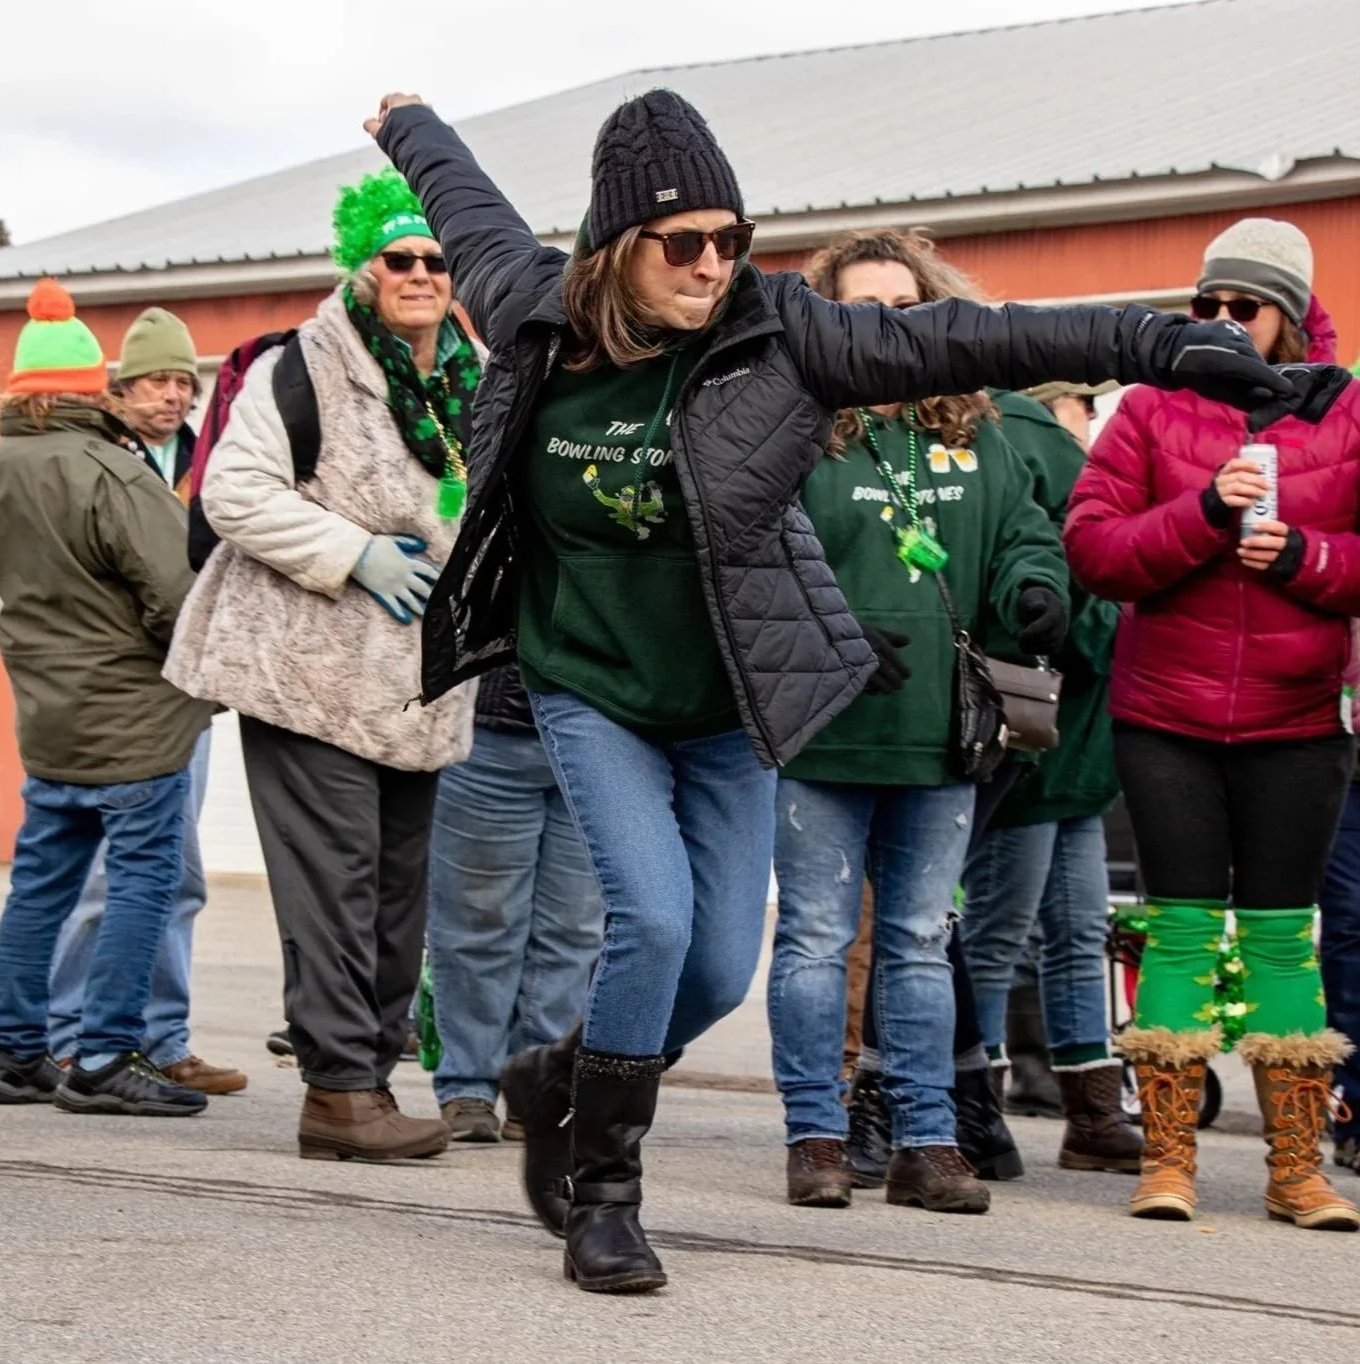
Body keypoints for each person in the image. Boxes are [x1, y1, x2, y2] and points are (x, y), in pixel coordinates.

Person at [368, 87, 1330, 1293]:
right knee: (655, 922)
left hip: (726, 694)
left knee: (716, 968)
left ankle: (565, 1074)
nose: (714, 264)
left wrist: (1158, 344)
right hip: (586, 683)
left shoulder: (787, 334)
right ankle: (603, 1193)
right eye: (685, 244)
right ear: (618, 248)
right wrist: (406, 120)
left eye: (732, 239)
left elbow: (980, 339)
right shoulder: (532, 310)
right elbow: (462, 203)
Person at [166, 169, 478, 1163]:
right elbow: (234, 493)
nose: (421, 273)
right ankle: (338, 1092)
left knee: (397, 890)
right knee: (335, 884)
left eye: (436, 258)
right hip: (307, 669)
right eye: (401, 257)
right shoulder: (306, 365)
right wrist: (355, 551)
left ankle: (370, 1075)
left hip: (419, 682)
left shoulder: (466, 379)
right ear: (366, 263)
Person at [1065, 218, 1360, 1229]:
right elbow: (1093, 550)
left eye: (1245, 306)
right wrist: (1201, 513)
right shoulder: (1149, 408)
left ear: (1290, 314)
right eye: (1207, 306)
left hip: (1297, 716)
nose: (1223, 322)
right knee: (1179, 932)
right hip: (1167, 715)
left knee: (1284, 940)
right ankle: (1168, 1160)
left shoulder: (1348, 412)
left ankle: (1294, 1169)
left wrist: (1302, 558)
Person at [768, 228, 1069, 1217]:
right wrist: (830, 633)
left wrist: (1033, 590)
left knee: (915, 937)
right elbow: (745, 558)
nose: (886, 325)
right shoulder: (791, 421)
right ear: (828, 318)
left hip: (943, 730)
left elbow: (1027, 532)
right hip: (822, 727)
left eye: (904, 305)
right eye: (862, 309)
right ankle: (814, 1134)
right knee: (814, 937)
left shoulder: (975, 429)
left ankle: (925, 1140)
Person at [0, 279, 213, 1118]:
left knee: (41, 881)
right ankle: (108, 1053)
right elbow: (175, 595)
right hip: (133, 715)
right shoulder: (111, 470)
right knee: (144, 878)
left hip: (46, 711)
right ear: (91, 389)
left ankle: (11, 1051)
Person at [45, 307, 244, 1097]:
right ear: (120, 389)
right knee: (105, 874)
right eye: (154, 380)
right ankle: (72, 1034)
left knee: (178, 875)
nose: (169, 394)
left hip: (185, 692)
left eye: (180, 381)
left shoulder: (212, 462)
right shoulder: (96, 457)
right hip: (113, 692)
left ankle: (162, 1037)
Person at [959, 379, 1143, 1176]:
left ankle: (1071, 1108)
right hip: (1052, 741)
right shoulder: (1039, 442)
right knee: (1026, 935)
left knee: (1047, 933)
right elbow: (1077, 590)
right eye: (1089, 406)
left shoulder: (1018, 438)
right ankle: (992, 1105)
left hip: (1058, 743)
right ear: (1062, 400)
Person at [427, 667, 603, 1141]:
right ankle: (468, 1084)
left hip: (605, 738)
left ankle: (541, 1088)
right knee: (478, 922)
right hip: (491, 728)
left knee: (575, 930)